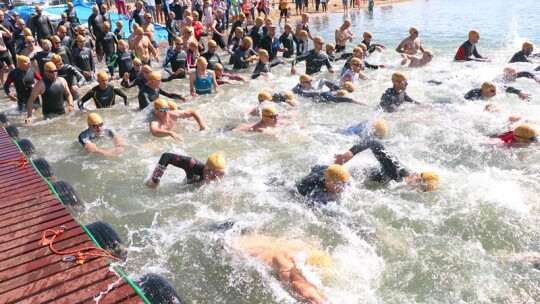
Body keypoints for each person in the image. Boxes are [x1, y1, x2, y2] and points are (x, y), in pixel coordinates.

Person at [237, 234, 331, 304]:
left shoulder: (301, 249)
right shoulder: (285, 264)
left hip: (254, 237)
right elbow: (307, 293)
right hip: (235, 243)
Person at [333, 138, 440, 191]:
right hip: (356, 174)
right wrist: (349, 153)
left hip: (370, 182)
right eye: (420, 189)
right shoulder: (397, 170)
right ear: (417, 180)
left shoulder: (404, 182)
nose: (418, 191)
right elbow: (373, 141)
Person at [146, 152, 225, 187]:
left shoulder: (222, 178)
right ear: (206, 169)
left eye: (221, 173)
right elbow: (166, 156)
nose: (216, 177)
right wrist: (155, 179)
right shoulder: (192, 164)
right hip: (182, 190)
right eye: (212, 172)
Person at [293, 74, 367, 105]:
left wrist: (335, 88)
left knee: (323, 80)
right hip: (315, 101)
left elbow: (323, 81)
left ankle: (340, 89)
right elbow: (308, 94)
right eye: (307, 82)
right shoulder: (299, 90)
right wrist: (352, 101)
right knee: (326, 96)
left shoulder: (311, 87)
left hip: (318, 93)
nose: (310, 83)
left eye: (310, 81)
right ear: (302, 83)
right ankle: (352, 100)